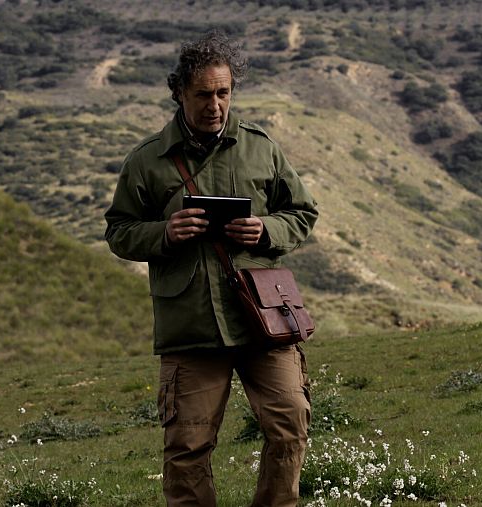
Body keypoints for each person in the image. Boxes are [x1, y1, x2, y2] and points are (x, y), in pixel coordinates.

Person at [104, 31, 318, 507]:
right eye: (203, 94)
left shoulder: (262, 148)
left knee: (290, 425)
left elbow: (303, 213)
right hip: (192, 327)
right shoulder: (146, 161)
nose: (215, 104)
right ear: (179, 92)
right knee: (187, 450)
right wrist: (165, 232)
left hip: (264, 320)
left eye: (224, 93)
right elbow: (119, 231)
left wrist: (265, 230)